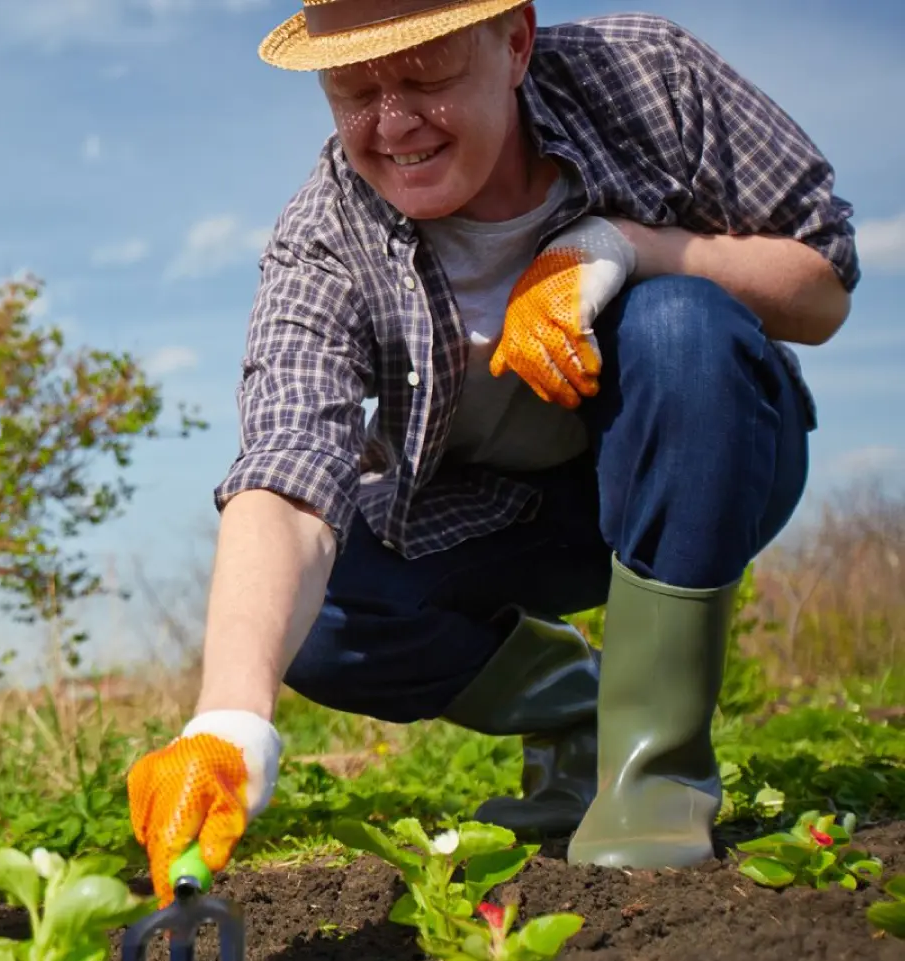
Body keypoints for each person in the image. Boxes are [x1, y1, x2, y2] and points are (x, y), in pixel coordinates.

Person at [127, 0, 860, 905]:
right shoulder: (323, 242)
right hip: (502, 526)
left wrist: (621, 247)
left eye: (426, 77)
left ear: (515, 44)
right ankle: (587, 709)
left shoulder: (646, 78)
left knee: (681, 322)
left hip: (709, 462)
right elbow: (287, 471)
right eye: (354, 91)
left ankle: (654, 775)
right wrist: (230, 719)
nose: (393, 124)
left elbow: (822, 290)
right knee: (310, 624)